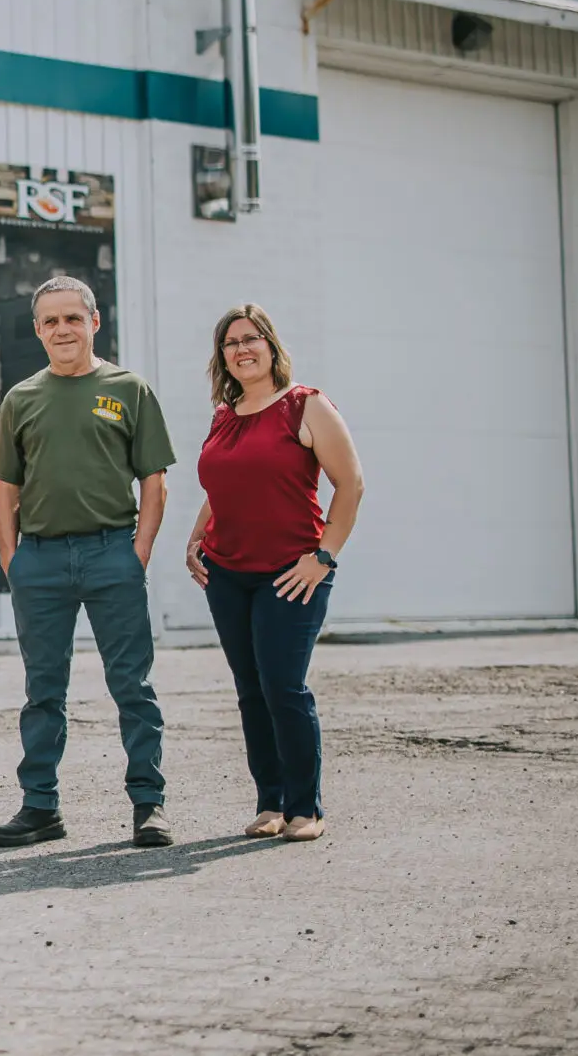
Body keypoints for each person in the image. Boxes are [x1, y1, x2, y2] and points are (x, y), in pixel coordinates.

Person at [0, 274, 175, 849]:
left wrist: (137, 552)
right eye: (50, 321)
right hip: (39, 560)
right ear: (38, 331)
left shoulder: (129, 388)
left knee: (132, 686)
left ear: (94, 321)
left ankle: (149, 803)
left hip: (112, 552)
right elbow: (5, 489)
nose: (63, 329)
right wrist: (12, 560)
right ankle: (40, 807)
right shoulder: (22, 398)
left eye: (73, 318)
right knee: (44, 691)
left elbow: (154, 480)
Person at [185, 304, 366, 843]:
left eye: (251, 338)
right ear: (222, 357)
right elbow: (222, 488)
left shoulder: (305, 406)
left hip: (293, 572)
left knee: (283, 687)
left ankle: (305, 807)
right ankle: (269, 802)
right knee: (249, 689)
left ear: (270, 346)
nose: (242, 349)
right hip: (227, 573)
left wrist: (323, 556)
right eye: (230, 343)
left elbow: (351, 484)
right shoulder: (224, 414)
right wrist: (197, 538)